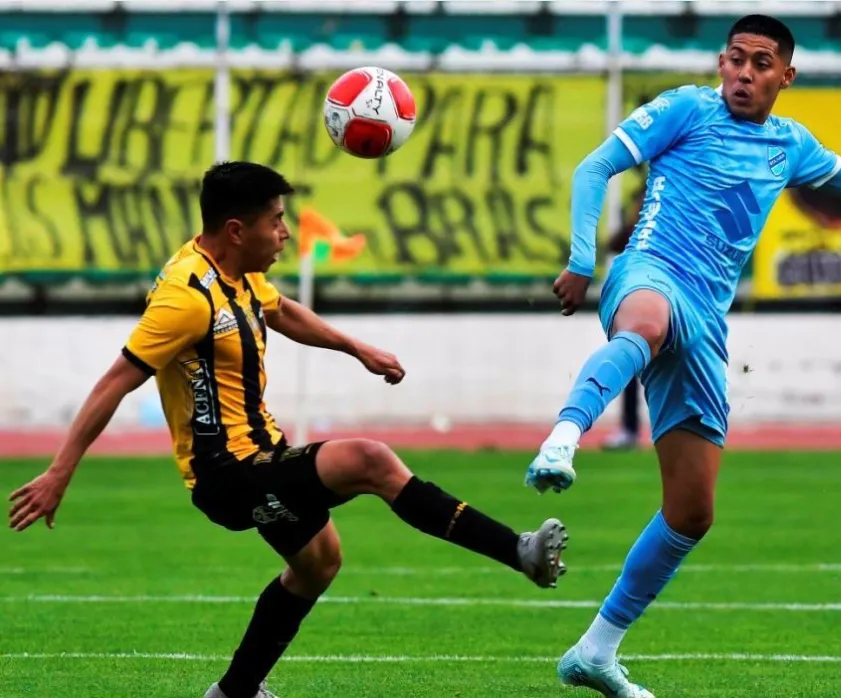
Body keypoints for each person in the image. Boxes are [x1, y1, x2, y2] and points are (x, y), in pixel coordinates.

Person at [524, 14, 841, 698]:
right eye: (736, 59)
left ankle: (595, 652)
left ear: (785, 76)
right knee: (645, 325)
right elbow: (597, 167)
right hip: (649, 269)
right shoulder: (684, 108)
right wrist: (583, 259)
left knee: (691, 512)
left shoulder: (789, 143)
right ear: (720, 62)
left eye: (761, 63)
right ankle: (564, 438)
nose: (744, 73)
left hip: (707, 319)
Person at [7, 161, 570, 698]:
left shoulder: (239, 275)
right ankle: (519, 551)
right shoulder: (186, 296)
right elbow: (115, 381)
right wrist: (60, 472)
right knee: (370, 460)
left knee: (318, 562)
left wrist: (357, 348)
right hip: (226, 475)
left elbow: (281, 311)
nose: (283, 232)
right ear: (235, 229)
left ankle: (233, 691)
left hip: (262, 456)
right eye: (275, 220)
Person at [603, 185, 647, 451]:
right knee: (630, 365)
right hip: (638, 296)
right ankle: (629, 428)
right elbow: (613, 243)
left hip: (663, 297)